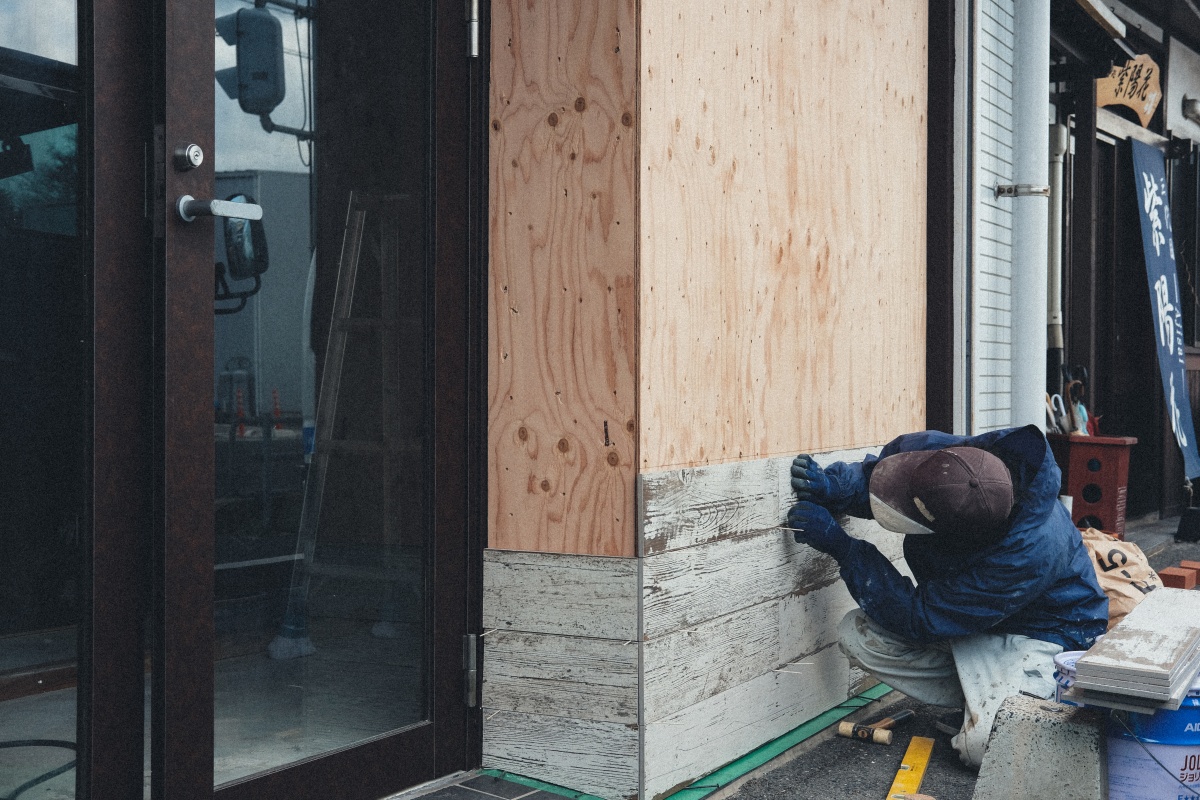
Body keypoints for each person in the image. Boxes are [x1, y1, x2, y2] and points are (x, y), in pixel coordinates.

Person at [785, 424, 1108, 768]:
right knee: (859, 635)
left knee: (988, 750)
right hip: (979, 623)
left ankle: (1010, 703)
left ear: (957, 535)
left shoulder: (1024, 554)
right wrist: (837, 487)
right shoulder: (967, 461)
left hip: (1048, 637)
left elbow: (922, 617)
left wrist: (845, 550)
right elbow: (884, 476)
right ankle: (986, 700)